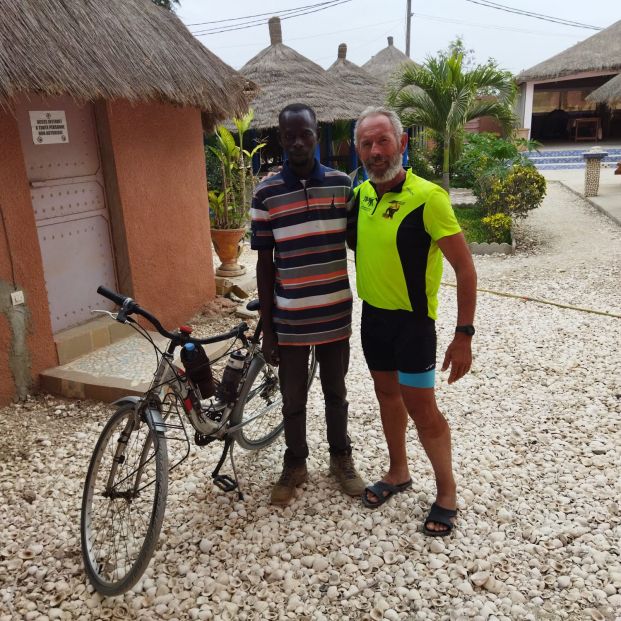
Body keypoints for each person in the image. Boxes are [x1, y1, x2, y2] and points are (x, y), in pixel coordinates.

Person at [348, 106, 477, 536]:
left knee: (423, 409)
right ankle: (398, 472)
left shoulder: (429, 198)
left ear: (403, 143)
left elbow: (465, 268)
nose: (375, 151)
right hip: (373, 318)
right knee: (387, 396)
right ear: (358, 151)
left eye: (383, 140)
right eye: (366, 143)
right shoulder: (362, 194)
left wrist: (464, 335)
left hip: (414, 325)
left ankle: (447, 492)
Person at [251, 103, 366, 506]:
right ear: (280, 138)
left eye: (305, 134)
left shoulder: (341, 186)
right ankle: (295, 462)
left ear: (317, 134)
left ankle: (341, 458)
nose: (297, 142)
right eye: (289, 136)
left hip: (335, 312)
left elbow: (359, 243)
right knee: (292, 397)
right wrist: (267, 327)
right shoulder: (265, 192)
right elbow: (264, 264)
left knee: (337, 392)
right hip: (291, 317)